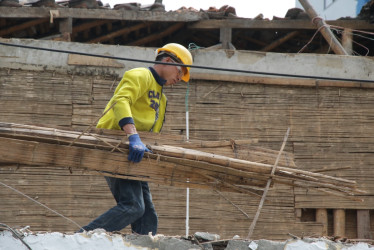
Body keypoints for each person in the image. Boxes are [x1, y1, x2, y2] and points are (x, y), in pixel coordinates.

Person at [80, 43, 193, 235]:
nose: (180, 78)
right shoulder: (140, 75)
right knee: (133, 206)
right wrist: (133, 135)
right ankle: (79, 240)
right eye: (180, 72)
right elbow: (120, 101)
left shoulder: (161, 98)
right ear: (167, 60)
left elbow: (153, 131)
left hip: (134, 153)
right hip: (114, 145)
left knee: (147, 216)